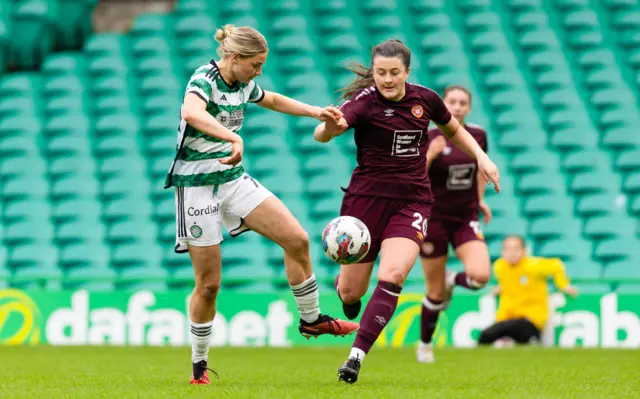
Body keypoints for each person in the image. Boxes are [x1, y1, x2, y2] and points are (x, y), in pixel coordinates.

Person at [165, 24, 360, 385]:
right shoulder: (204, 79)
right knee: (208, 285)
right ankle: (199, 367)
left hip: (233, 179)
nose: (259, 72)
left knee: (297, 239)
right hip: (196, 186)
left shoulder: (242, 84)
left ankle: (312, 318)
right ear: (234, 58)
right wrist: (230, 136)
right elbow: (191, 113)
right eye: (255, 64)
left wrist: (316, 112)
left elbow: (271, 99)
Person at [313, 39, 501, 384]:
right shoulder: (364, 102)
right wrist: (327, 124)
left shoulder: (425, 99)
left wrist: (483, 158)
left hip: (412, 201)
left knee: (395, 273)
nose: (386, 79)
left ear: (407, 73)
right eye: (380, 73)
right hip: (365, 203)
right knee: (352, 294)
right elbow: (323, 134)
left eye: (393, 73)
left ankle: (355, 357)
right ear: (373, 72)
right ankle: (346, 290)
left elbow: (454, 131)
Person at [416, 86, 492, 363]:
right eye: (452, 102)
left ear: (469, 108)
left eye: (463, 103)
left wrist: (481, 200)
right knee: (434, 292)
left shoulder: (479, 135)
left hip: (465, 217)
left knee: (480, 276)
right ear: (443, 105)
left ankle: (453, 279)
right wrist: (431, 154)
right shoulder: (428, 136)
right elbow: (413, 176)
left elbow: (482, 170)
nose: (457, 107)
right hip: (433, 219)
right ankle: (424, 345)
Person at [478, 235, 578, 346]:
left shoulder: (534, 266)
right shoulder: (499, 266)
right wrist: (500, 288)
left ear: (524, 251)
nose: (512, 253)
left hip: (530, 319)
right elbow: (512, 282)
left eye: (516, 249)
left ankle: (533, 339)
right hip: (507, 318)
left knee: (517, 327)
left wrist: (563, 284)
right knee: (485, 335)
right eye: (507, 249)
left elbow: (556, 265)